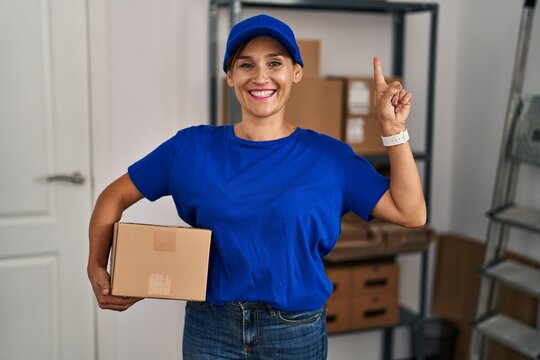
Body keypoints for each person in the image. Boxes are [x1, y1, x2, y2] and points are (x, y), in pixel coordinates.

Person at [87, 13, 426, 360]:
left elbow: (410, 212)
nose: (260, 76)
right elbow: (113, 197)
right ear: (231, 77)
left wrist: (393, 129)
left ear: (296, 72)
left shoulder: (330, 157)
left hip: (295, 331)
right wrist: (96, 265)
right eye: (246, 65)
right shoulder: (190, 149)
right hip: (211, 328)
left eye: (274, 62)